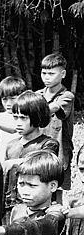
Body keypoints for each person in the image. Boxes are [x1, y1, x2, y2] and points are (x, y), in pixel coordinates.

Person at [3, 91, 59, 214]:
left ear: (37, 117)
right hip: (10, 207)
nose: (18, 122)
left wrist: (15, 162)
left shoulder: (48, 144)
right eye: (15, 117)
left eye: (23, 118)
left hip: (38, 209)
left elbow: (44, 161)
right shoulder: (11, 145)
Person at [38, 51, 74, 188]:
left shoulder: (67, 96)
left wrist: (31, 109)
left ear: (63, 74)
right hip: (39, 148)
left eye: (51, 74)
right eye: (44, 73)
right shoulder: (37, 95)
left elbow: (52, 108)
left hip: (59, 153)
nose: (46, 77)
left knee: (57, 190)